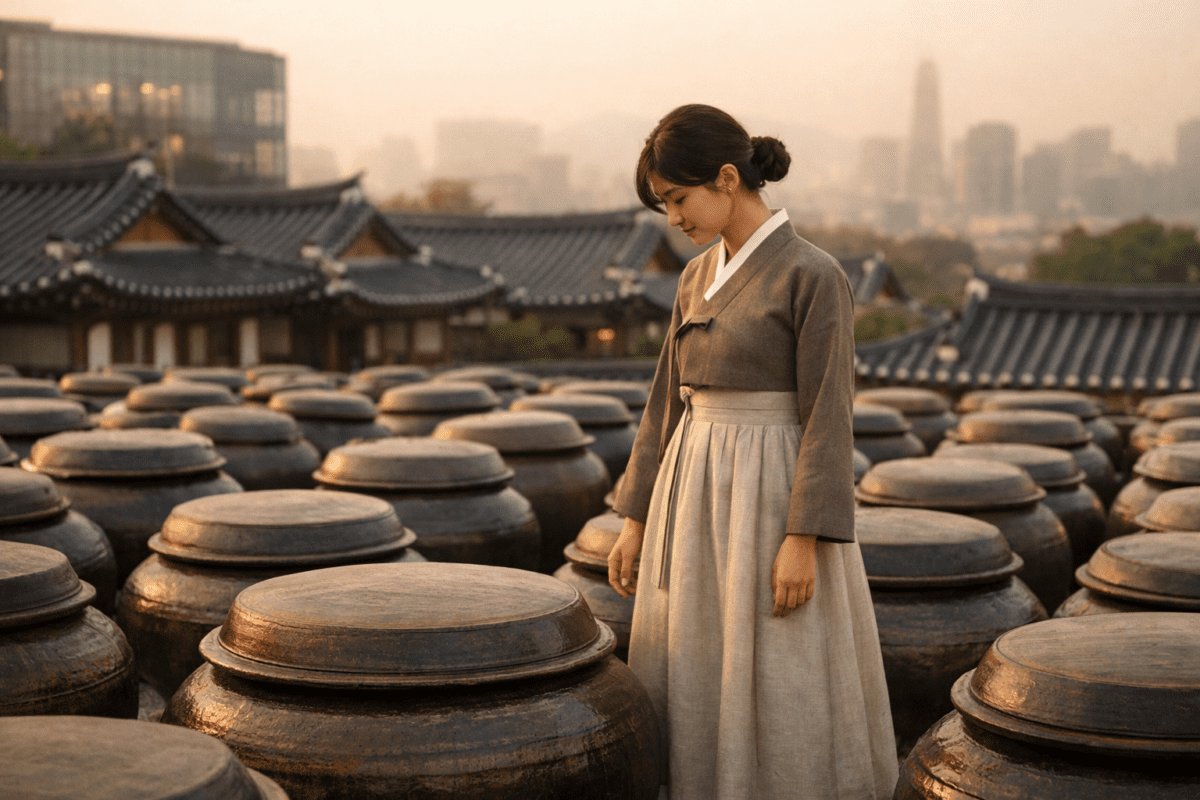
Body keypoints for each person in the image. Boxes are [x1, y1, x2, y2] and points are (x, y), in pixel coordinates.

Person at [607, 104, 897, 800]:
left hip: (770, 486)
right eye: (663, 204)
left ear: (728, 178)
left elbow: (829, 412)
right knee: (698, 651)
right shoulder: (693, 277)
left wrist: (805, 536)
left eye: (677, 198)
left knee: (778, 659)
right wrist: (636, 517)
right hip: (693, 477)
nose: (672, 217)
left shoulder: (813, 273)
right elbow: (663, 402)